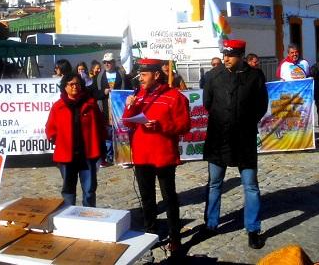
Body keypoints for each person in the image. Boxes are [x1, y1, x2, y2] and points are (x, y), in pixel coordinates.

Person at [201, 39, 269, 249]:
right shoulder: (213, 76)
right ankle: (211, 223)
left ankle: (253, 228)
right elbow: (207, 103)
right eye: (224, 54)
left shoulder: (255, 76)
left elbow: (261, 105)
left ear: (240, 55)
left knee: (251, 186)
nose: (226, 59)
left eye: (230, 55)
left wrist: (245, 122)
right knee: (214, 183)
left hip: (244, 140)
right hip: (218, 138)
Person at [123, 59, 191, 255]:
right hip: (142, 155)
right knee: (147, 198)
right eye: (140, 74)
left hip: (164, 155)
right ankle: (151, 232)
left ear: (156, 75)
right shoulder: (139, 95)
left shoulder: (174, 97)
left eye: (144, 74)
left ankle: (175, 236)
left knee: (169, 198)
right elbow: (128, 124)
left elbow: (185, 126)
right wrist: (130, 107)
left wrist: (161, 126)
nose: (140, 78)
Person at [45, 72, 106, 207]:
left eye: (77, 84)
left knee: (89, 190)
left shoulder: (91, 104)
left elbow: (101, 126)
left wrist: (101, 145)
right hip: (67, 156)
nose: (75, 87)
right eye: (71, 84)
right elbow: (50, 127)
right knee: (68, 190)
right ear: (65, 87)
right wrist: (57, 140)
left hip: (87, 154)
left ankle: (89, 215)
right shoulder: (58, 106)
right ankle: (68, 216)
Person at [94, 52, 131, 165]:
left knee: (122, 133)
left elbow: (129, 89)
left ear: (114, 62)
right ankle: (108, 157)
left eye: (109, 62)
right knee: (107, 135)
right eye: (105, 62)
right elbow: (94, 93)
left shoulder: (122, 75)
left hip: (120, 108)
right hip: (105, 110)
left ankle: (124, 158)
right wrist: (103, 92)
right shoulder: (99, 76)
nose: (107, 64)